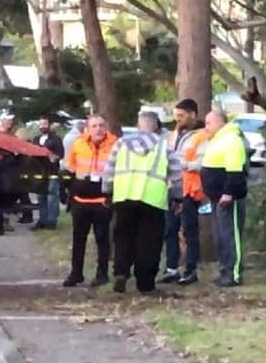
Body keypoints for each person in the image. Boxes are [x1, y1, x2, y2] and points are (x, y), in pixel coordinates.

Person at [103, 111, 182, 294]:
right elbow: (177, 175)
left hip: (124, 197)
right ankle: (145, 283)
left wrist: (107, 192)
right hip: (152, 199)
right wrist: (178, 198)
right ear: (156, 126)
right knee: (149, 242)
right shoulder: (164, 146)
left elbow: (109, 170)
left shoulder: (121, 144)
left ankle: (121, 272)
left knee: (123, 237)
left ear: (138, 125)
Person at [61, 114, 118, 287]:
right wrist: (69, 188)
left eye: (101, 125)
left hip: (103, 200)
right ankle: (76, 273)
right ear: (87, 128)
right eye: (94, 126)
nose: (98, 129)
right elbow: (69, 168)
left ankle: (102, 274)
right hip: (80, 200)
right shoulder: (78, 143)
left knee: (102, 238)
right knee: (78, 238)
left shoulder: (116, 144)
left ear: (106, 127)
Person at [158, 99, 207, 285]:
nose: (177, 119)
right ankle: (172, 268)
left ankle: (190, 269)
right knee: (170, 229)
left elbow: (203, 162)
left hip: (190, 189)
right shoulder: (173, 134)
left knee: (189, 231)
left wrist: (183, 165)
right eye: (176, 116)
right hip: (173, 188)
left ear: (192, 114)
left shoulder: (201, 136)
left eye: (181, 116)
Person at [200, 110, 248, 287]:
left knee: (230, 236)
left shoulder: (231, 140)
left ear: (220, 122)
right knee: (220, 237)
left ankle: (233, 273)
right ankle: (224, 270)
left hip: (228, 198)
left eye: (208, 123)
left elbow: (235, 170)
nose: (206, 127)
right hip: (216, 198)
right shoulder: (218, 140)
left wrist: (229, 193)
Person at [31, 115, 65, 230]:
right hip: (38, 171)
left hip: (52, 170)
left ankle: (52, 221)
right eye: (40, 124)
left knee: (52, 196)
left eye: (44, 124)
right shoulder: (36, 139)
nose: (42, 126)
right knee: (41, 196)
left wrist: (52, 156)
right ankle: (42, 219)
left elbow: (61, 154)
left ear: (49, 125)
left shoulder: (56, 139)